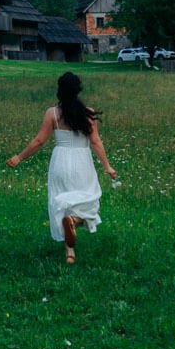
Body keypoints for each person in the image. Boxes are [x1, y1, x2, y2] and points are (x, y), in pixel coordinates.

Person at [6, 71, 117, 264]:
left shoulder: (53, 114)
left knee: (64, 204)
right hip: (82, 161)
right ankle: (74, 222)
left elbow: (40, 141)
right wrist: (107, 166)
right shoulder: (87, 113)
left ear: (60, 90)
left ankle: (70, 253)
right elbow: (96, 142)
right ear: (78, 90)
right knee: (88, 202)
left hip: (60, 162)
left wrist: (19, 157)